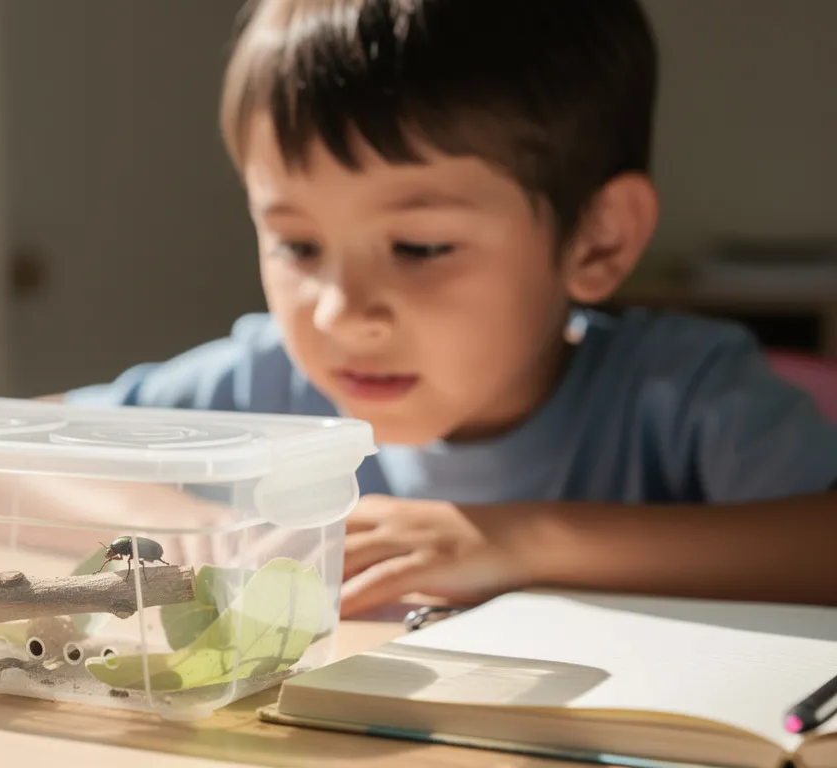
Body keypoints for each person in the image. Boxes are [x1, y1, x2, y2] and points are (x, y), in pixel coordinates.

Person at [55, 0, 837, 614]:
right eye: (297, 245)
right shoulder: (265, 384)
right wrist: (174, 522)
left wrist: (521, 542)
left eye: (420, 247)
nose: (337, 315)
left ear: (598, 241)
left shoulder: (684, 391)